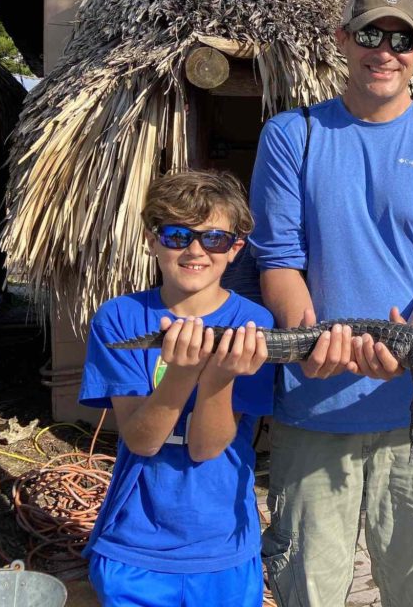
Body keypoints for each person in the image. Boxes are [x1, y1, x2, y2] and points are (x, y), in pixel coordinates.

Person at [250, 0, 413, 607]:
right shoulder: (291, 134)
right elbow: (277, 260)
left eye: (401, 39)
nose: (385, 51)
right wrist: (309, 341)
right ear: (342, 41)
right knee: (309, 586)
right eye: (370, 35)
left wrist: (409, 350)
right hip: (314, 404)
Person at [79, 169, 273, 607]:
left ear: (235, 249)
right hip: (133, 546)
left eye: (214, 238)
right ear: (152, 240)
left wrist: (216, 379)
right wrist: (182, 375)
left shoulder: (255, 325)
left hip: (223, 544)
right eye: (177, 235)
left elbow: (207, 447)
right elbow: (140, 440)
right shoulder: (118, 319)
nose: (196, 250)